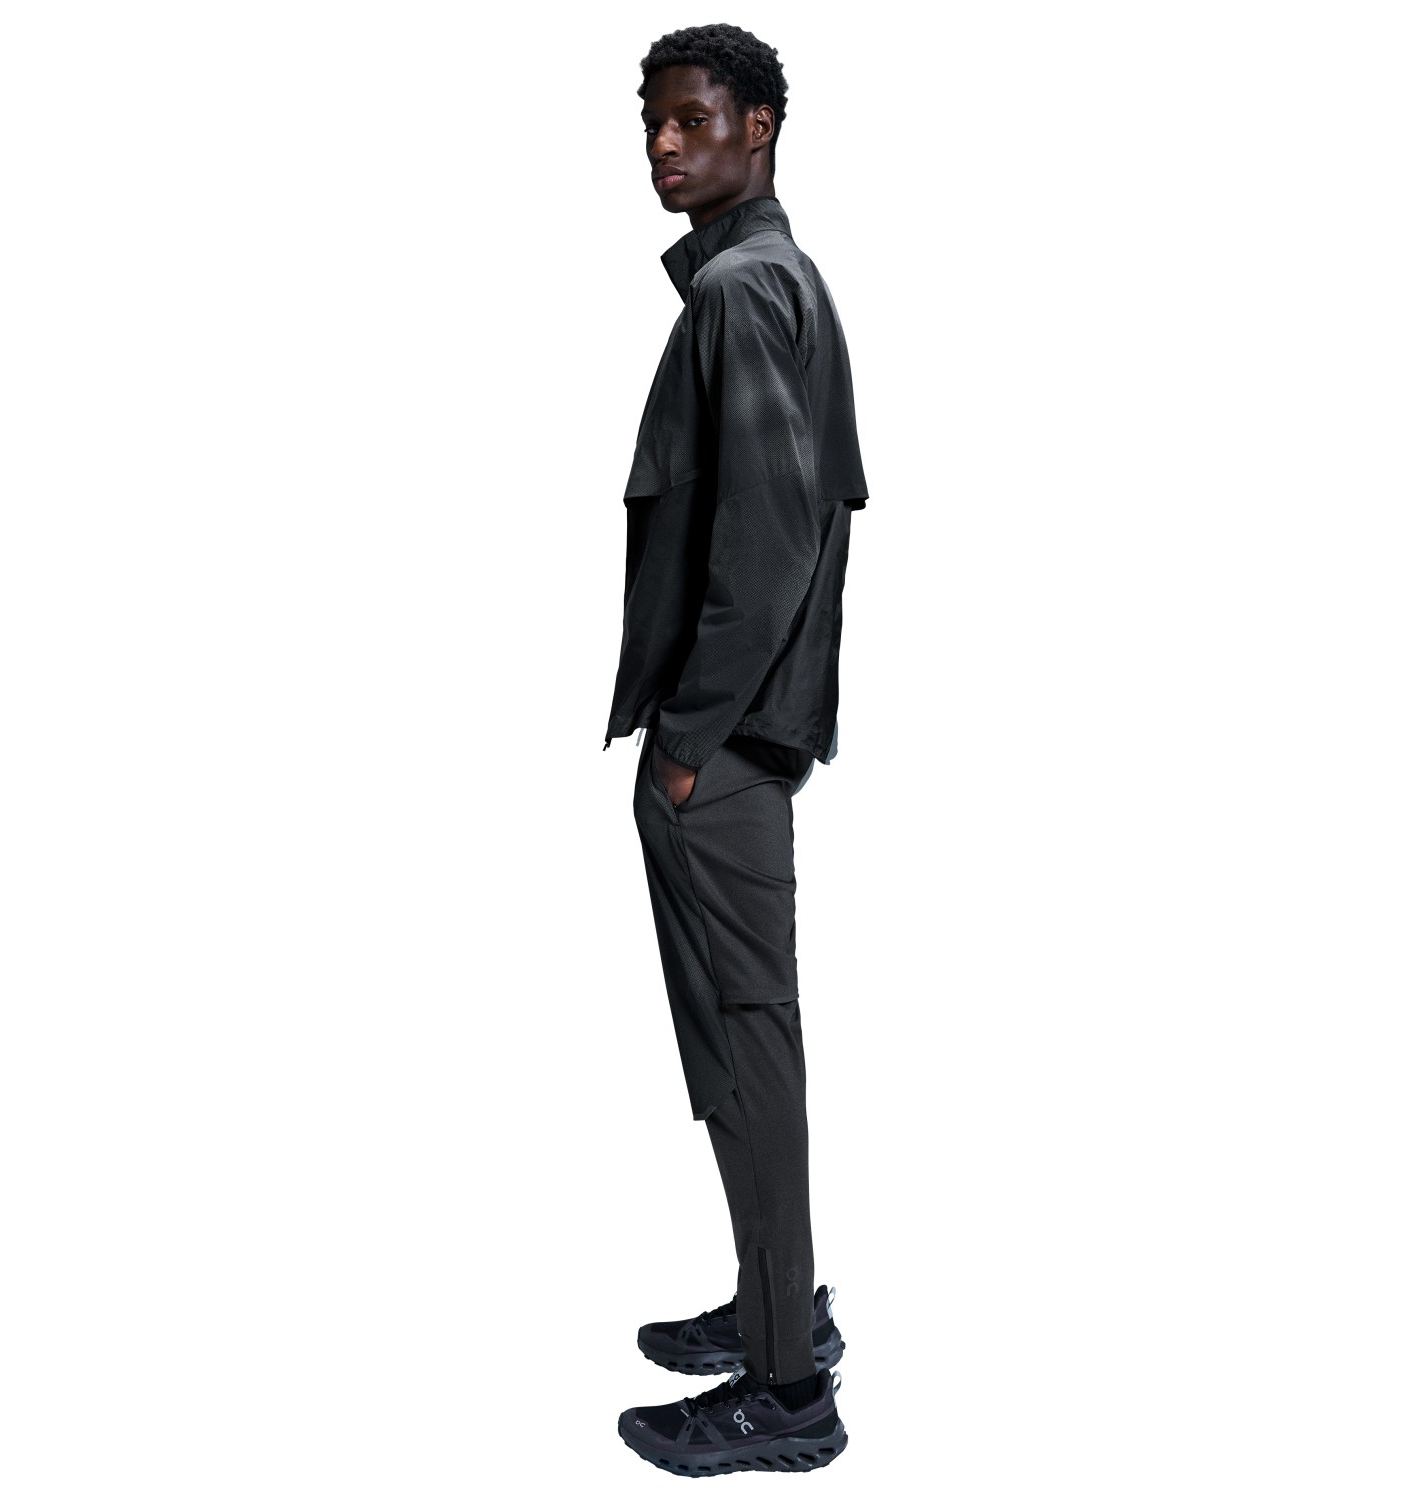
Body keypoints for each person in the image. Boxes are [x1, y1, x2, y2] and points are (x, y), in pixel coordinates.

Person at [603, 24, 869, 1477]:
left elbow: (769, 549)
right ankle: (780, 1307)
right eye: (652, 122)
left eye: (693, 119)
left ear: (757, 126)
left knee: (750, 1053)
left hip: (725, 760)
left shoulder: (742, 293)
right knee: (739, 1046)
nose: (665, 143)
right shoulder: (768, 279)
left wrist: (690, 745)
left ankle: (786, 1391)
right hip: (744, 748)